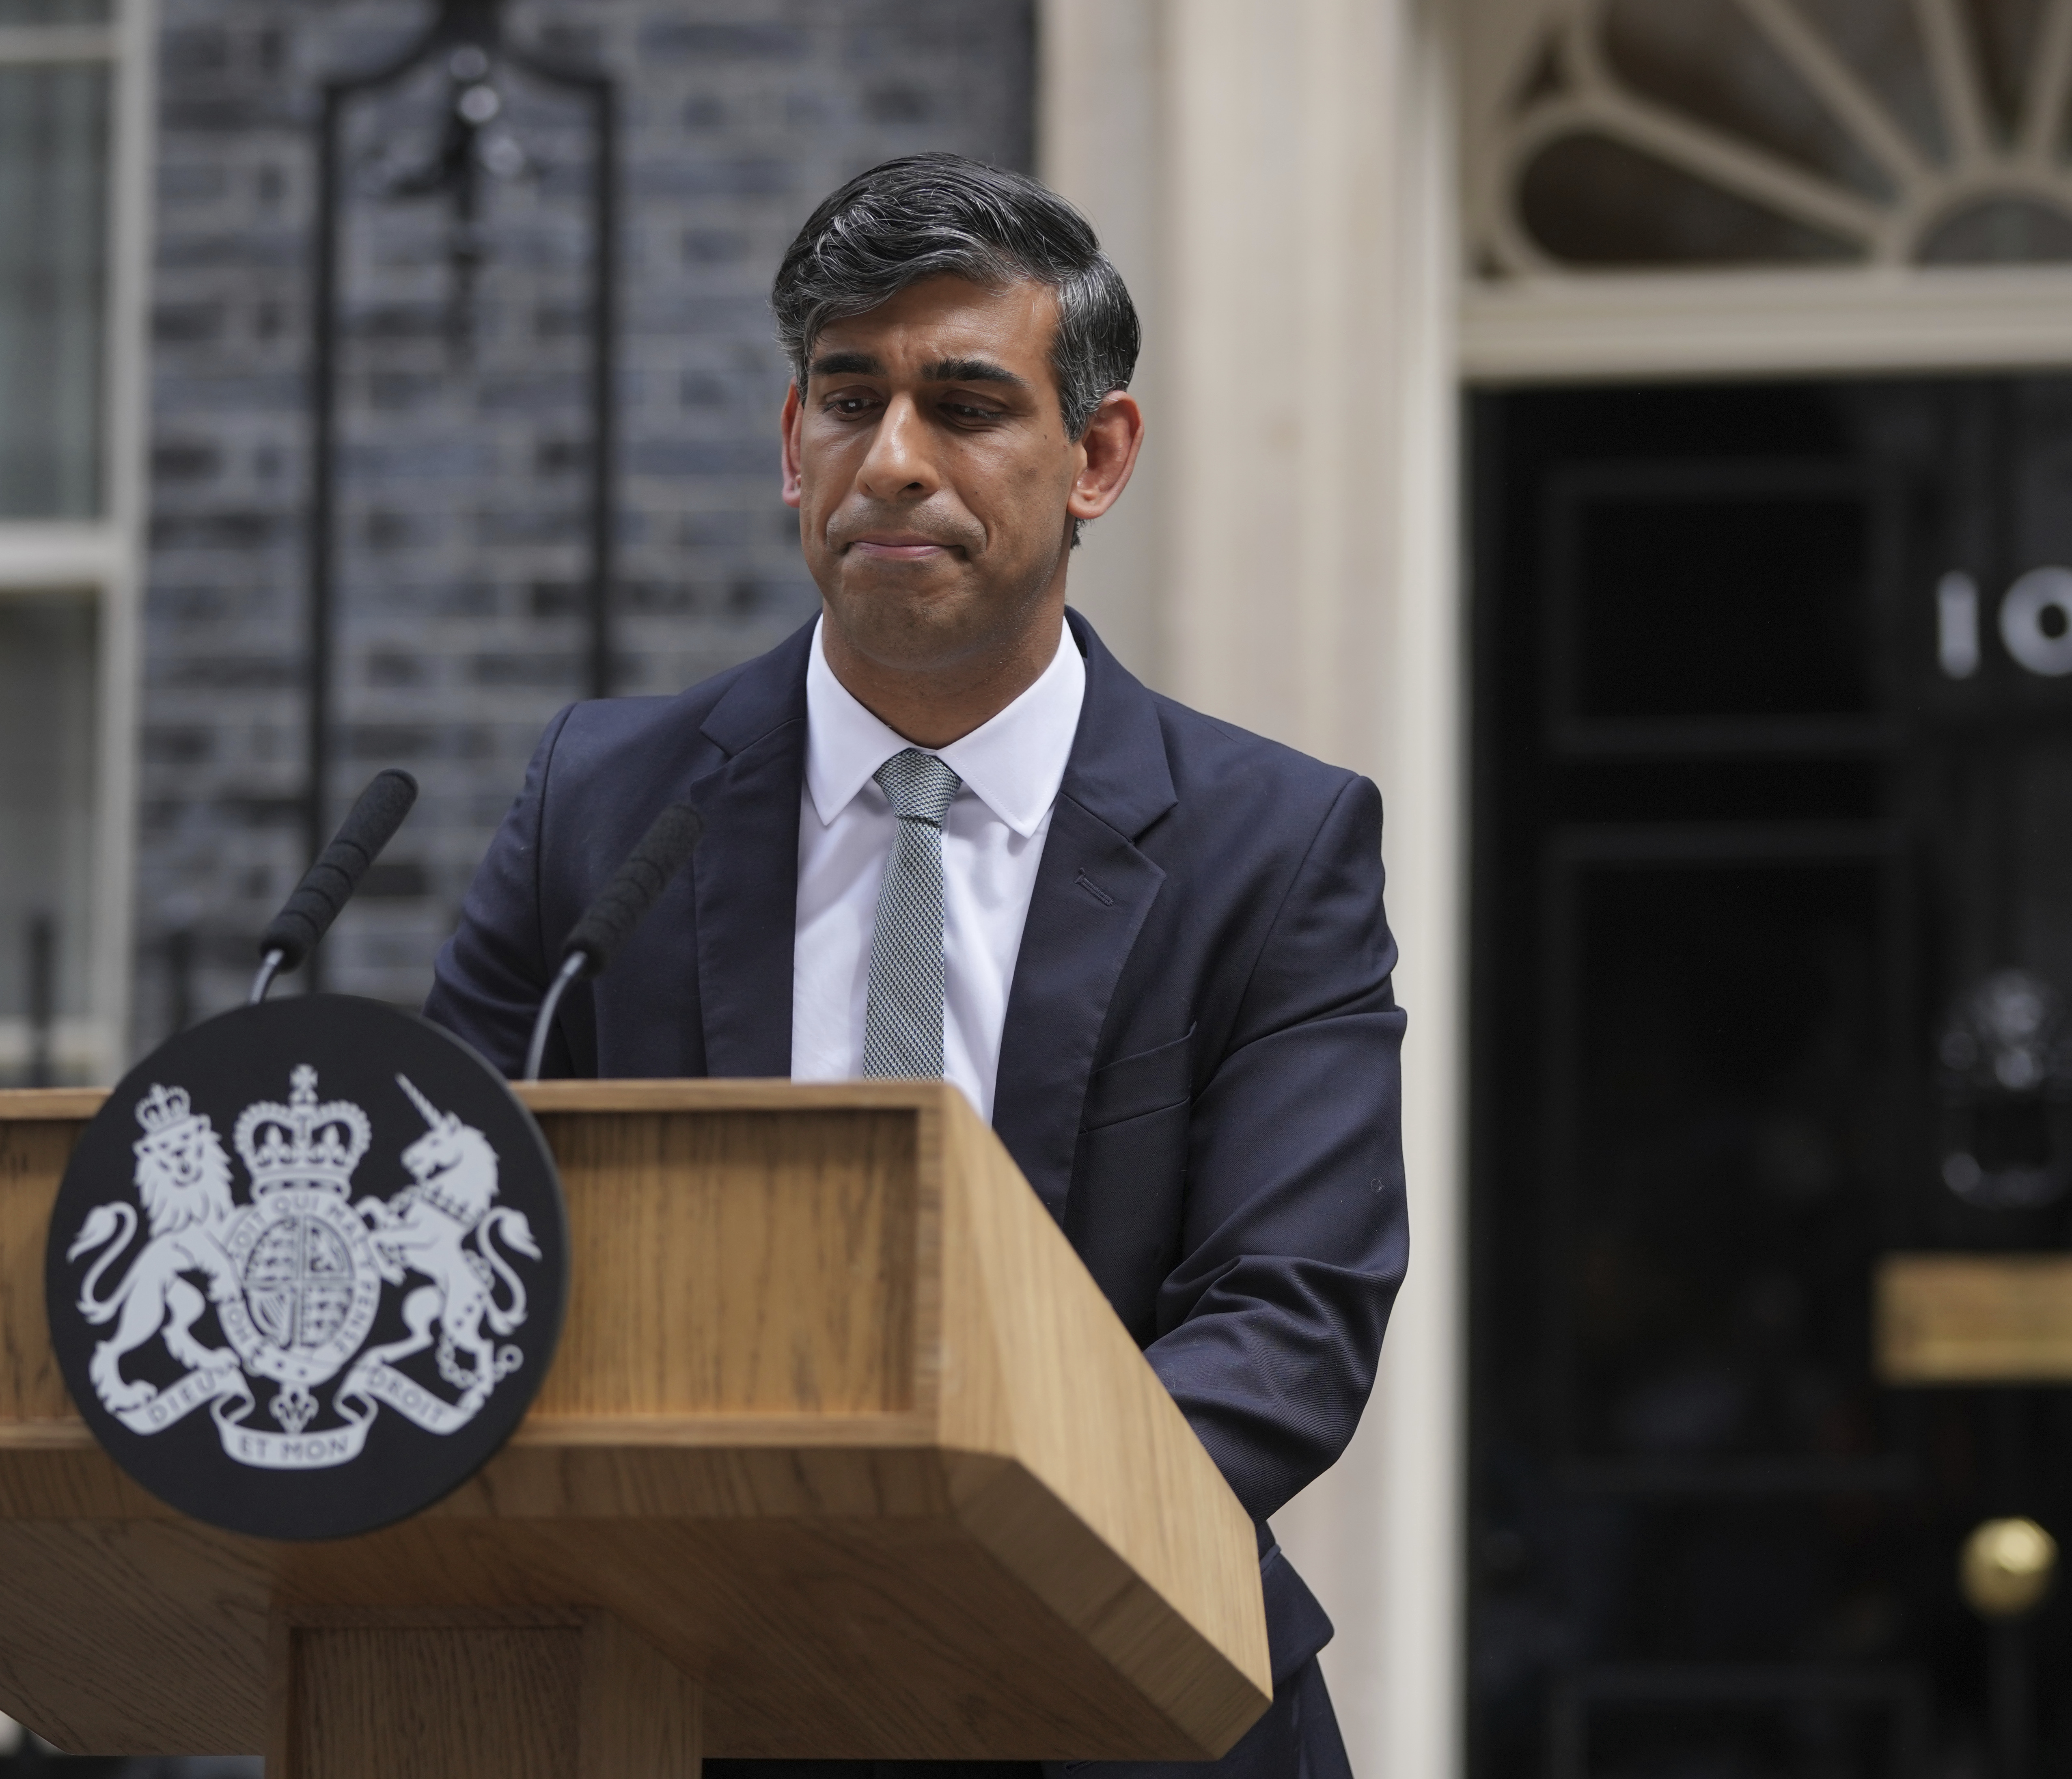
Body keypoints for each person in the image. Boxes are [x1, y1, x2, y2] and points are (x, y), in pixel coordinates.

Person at [425, 153, 1406, 1779]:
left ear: (1097, 455)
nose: (892, 460)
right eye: (846, 396)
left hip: (1119, 1693)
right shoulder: (603, 808)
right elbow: (451, 1223)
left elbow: (1285, 1324)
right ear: (787, 441)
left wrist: (929, 1556)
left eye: (963, 402)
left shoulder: (1272, 846)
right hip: (678, 1690)